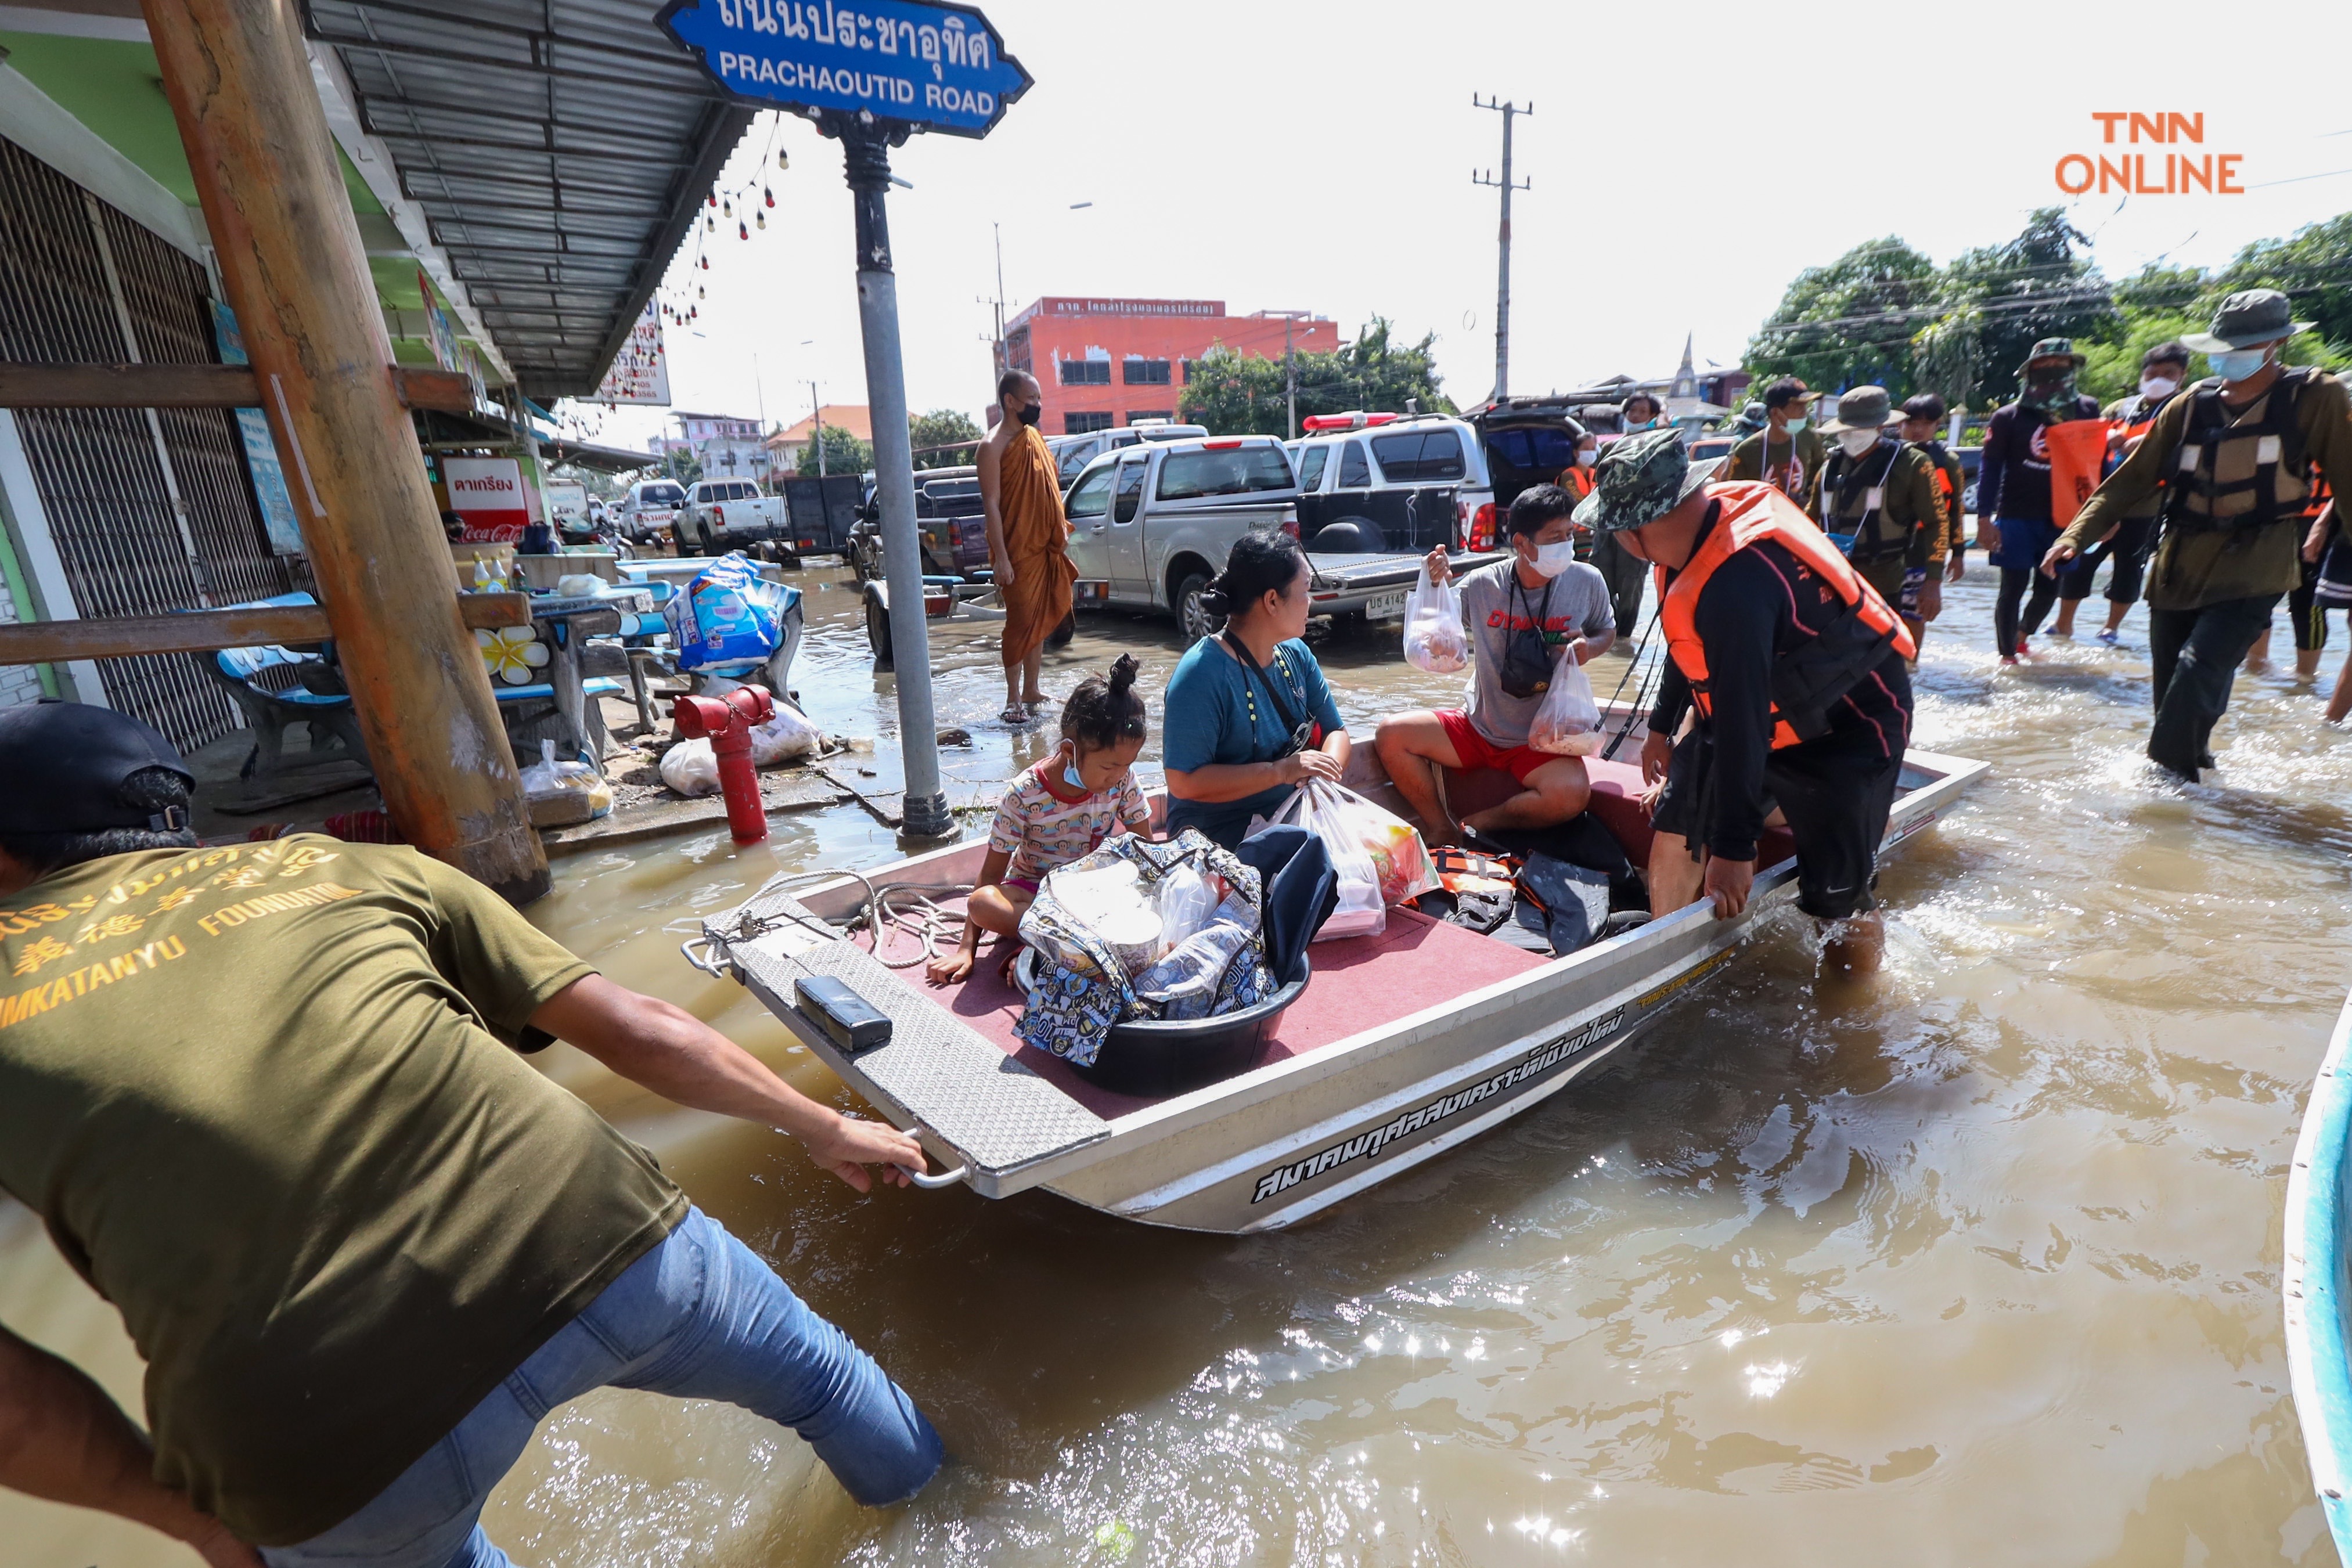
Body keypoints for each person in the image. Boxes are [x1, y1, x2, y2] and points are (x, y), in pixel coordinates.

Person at [0, 704, 941, 1568]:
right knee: (824, 1383)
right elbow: (638, 1029)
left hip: (313, 1428)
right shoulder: (335, 863)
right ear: (171, 815)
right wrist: (822, 1126)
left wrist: (199, 1522)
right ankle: (951, 1525)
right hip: (596, 1237)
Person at [1582, 430, 1915, 978]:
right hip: (1760, 710)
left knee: (1837, 896)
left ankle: (1853, 1009)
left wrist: (1734, 850)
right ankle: (1663, 969)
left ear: (1634, 530)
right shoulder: (1695, 539)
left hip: (1845, 729)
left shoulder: (1738, 585)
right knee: (1678, 818)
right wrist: (1661, 728)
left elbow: (1743, 719)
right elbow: (1688, 647)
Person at [2044, 290, 2352, 778]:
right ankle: (2199, 783)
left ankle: (2160, 803)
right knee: (2172, 692)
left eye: (2244, 344)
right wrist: (2073, 538)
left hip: (2258, 563)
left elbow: (2347, 477)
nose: (2231, 355)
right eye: (2225, 344)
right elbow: (2128, 482)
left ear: (2275, 342)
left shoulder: (2316, 396)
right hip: (2178, 564)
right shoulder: (2188, 406)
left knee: (2197, 672)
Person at [1374, 484, 1617, 846]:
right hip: (1479, 726)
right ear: (1521, 543)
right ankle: (1440, 825)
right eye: (1554, 537)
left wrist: (1589, 648)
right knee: (1390, 735)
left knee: (1571, 794)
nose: (1566, 544)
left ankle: (1480, 823)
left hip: (1544, 739)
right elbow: (1441, 624)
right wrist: (1434, 580)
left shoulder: (1587, 581)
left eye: (1569, 534)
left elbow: (1608, 631)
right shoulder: (1485, 584)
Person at [927, 655, 1151, 985]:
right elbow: (990, 877)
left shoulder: (1123, 778)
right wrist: (966, 950)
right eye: (1107, 768)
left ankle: (1051, 946)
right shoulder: (1024, 794)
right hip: (1033, 897)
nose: (1117, 777)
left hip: (1094, 893)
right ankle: (1056, 944)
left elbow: (1145, 849)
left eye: (1125, 765)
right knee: (982, 903)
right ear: (1070, 751)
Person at [1161, 532, 1352, 852]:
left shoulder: (1297, 655)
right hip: (1216, 839)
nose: (1311, 602)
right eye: (1305, 591)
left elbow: (1336, 731)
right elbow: (1183, 782)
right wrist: (1279, 772)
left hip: (1291, 814)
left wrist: (1321, 772)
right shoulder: (1200, 674)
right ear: (1272, 600)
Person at [2050, 341, 2190, 644]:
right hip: (2104, 502)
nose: (2158, 379)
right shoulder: (2121, 408)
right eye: (2152, 373)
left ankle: (2111, 627)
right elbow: (2088, 446)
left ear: (2182, 376)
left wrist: (2145, 445)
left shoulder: (2186, 410)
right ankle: (2063, 624)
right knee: (2079, 563)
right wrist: (2106, 437)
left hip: (2146, 509)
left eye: (2168, 373)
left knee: (2129, 569)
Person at [1978, 337, 2105, 664]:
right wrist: (1983, 519)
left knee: (2050, 587)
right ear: (2029, 372)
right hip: (2016, 516)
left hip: (2065, 519)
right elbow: (1991, 467)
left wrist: (2106, 514)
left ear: (2072, 368)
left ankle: (2022, 636)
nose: (2051, 370)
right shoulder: (2009, 417)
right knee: (2012, 589)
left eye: (2059, 364)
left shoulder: (2087, 409)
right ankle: (2007, 658)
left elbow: (2097, 464)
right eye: (2042, 365)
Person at [1810, 386, 1945, 655]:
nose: (1853, 435)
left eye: (1861, 428)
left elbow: (1936, 522)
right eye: (1847, 429)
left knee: (1882, 661)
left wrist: (1932, 583)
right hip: (1832, 584)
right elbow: (1808, 522)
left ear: (1882, 426)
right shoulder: (1829, 467)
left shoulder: (1913, 464)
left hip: (1885, 584)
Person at [977, 369, 1078, 724]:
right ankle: (1012, 697)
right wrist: (1001, 558)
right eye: (1032, 399)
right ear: (1010, 401)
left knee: (1039, 621)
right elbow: (991, 505)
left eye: (1039, 399)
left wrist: (1057, 528)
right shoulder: (992, 447)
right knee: (1020, 623)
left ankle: (1032, 689)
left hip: (1043, 547)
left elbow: (1050, 489)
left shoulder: (1033, 438)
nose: (1038, 405)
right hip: (1016, 550)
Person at [1897, 392, 1969, 618]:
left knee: (1915, 614)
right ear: (1900, 423)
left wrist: (1958, 554)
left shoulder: (1948, 463)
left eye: (1926, 424)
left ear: (1937, 425)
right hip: (1890, 551)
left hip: (1925, 552)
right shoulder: (1888, 457)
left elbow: (1956, 511)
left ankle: (1912, 655)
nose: (1918, 429)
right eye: (1912, 423)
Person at [1573, 430, 1645, 639]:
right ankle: (1604, 637)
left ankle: (1623, 638)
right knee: (1601, 584)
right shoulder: (1604, 463)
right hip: (1605, 531)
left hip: (1633, 531)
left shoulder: (1642, 469)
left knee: (1630, 589)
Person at [1724, 377, 1824, 511]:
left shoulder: (1810, 438)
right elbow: (1732, 496)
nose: (1804, 412)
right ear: (1775, 412)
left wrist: (1806, 501)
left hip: (1797, 523)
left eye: (1805, 406)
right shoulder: (1747, 450)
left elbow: (1819, 478)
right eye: (1798, 406)